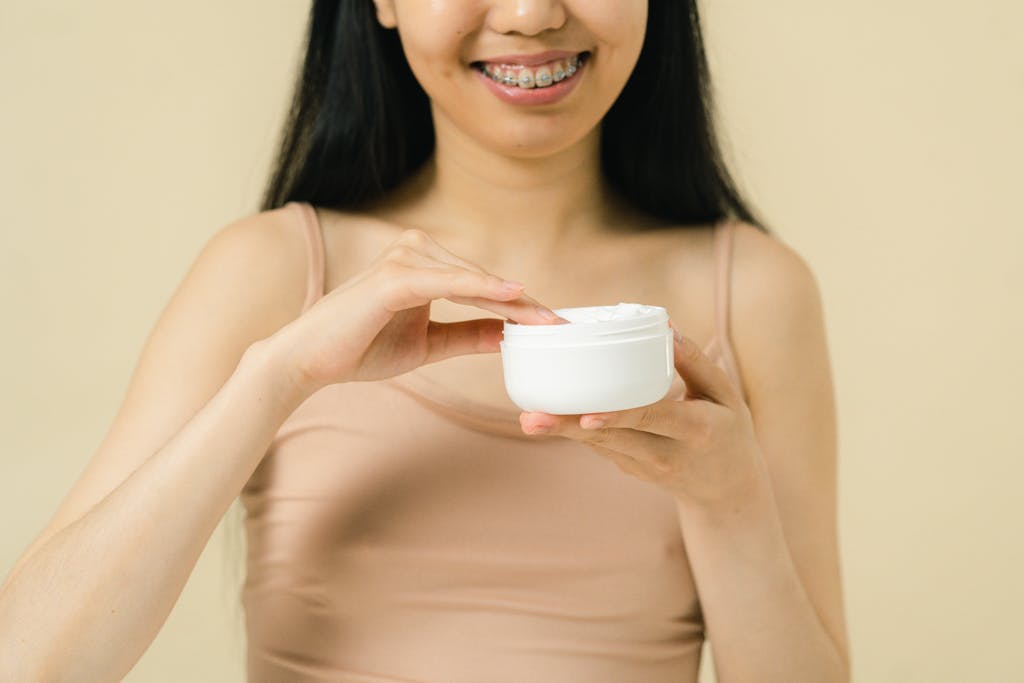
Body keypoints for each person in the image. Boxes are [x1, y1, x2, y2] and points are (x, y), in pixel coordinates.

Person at [0, 1, 850, 681]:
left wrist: (730, 500)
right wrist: (281, 377)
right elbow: (30, 661)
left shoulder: (756, 294)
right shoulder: (270, 270)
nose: (529, 14)